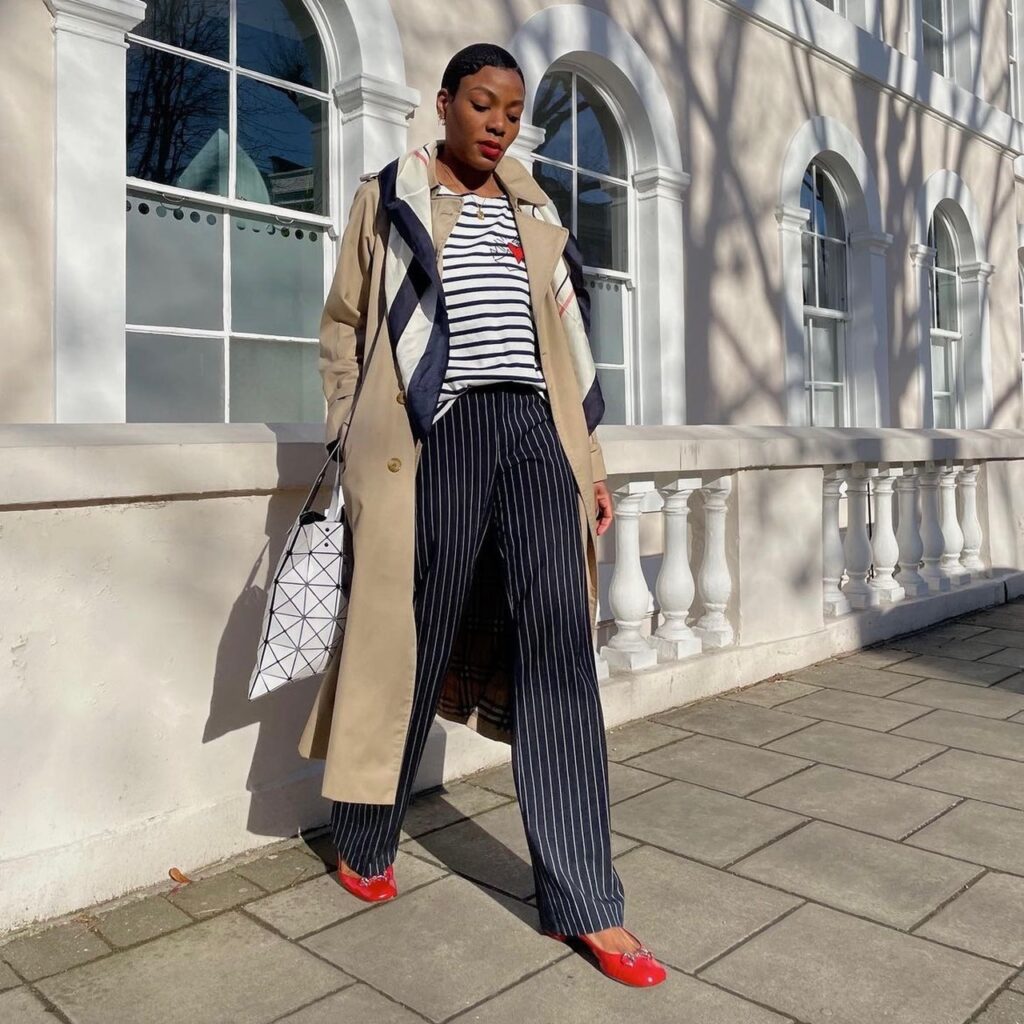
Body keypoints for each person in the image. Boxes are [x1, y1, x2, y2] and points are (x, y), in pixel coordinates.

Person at [297, 42, 666, 988]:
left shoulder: (536, 206)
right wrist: (348, 419)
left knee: (558, 648)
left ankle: (586, 900)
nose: (499, 122)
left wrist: (589, 463)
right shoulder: (391, 196)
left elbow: (569, 347)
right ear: (445, 104)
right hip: (434, 434)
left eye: (512, 110)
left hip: (536, 437)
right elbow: (344, 325)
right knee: (412, 630)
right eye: (482, 104)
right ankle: (366, 830)